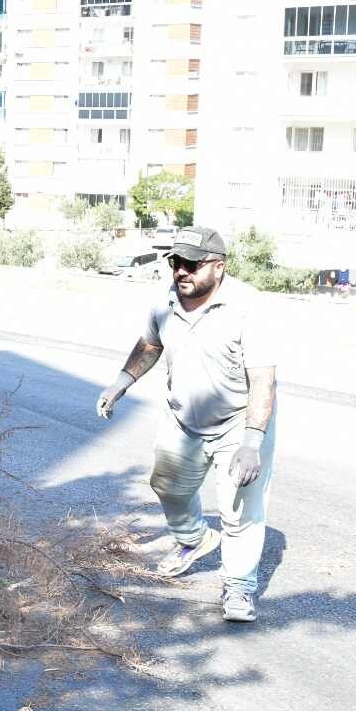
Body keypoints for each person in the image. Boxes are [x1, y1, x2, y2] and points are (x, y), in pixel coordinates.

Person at [95, 226, 279, 623]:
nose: (181, 271)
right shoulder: (164, 302)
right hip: (183, 419)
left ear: (219, 267)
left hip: (237, 423)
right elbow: (150, 345)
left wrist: (252, 442)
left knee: (239, 511)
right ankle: (194, 540)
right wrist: (120, 383)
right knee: (168, 487)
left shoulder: (247, 307)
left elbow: (264, 378)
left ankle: (239, 588)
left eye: (191, 264)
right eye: (176, 262)